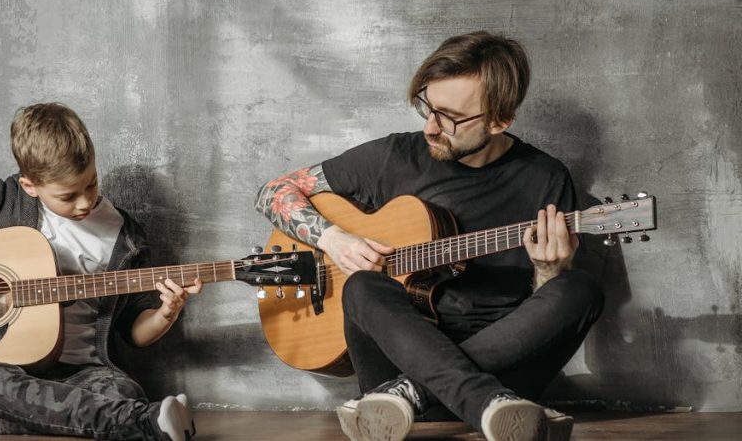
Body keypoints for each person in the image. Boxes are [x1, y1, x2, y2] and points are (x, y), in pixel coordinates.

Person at [254, 31, 603, 441]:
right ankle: (479, 402)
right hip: (402, 361)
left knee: (579, 289)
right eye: (428, 108)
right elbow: (273, 192)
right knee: (363, 286)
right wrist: (334, 239)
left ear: (500, 120)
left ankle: (417, 392)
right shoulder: (394, 157)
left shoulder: (545, 178)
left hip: (496, 373)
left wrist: (548, 271)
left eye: (451, 117)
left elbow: (539, 313)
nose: (431, 128)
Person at [0, 102, 200, 440]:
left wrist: (165, 314)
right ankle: (143, 423)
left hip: (83, 374)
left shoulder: (127, 236)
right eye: (67, 195)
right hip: (11, 371)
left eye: (91, 184)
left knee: (123, 393)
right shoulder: (3, 201)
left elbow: (133, 333)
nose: (84, 202)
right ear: (29, 185)